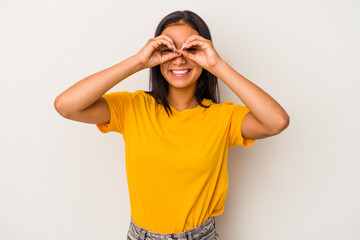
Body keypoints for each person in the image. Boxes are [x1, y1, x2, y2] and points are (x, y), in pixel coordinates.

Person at [54, 10, 289, 240]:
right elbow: (66, 105)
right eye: (168, 49)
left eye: (191, 48)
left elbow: (277, 122)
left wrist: (216, 65)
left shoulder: (223, 117)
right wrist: (138, 61)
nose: (179, 57)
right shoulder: (132, 107)